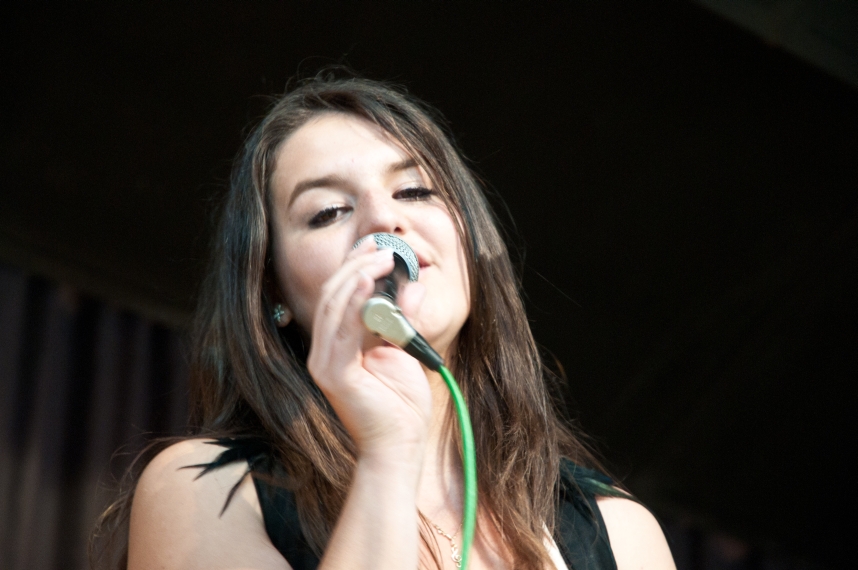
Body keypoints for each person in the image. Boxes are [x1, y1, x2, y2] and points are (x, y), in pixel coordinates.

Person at [93, 74, 675, 570]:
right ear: (274, 292)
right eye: (328, 212)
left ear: (471, 245)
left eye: (415, 191)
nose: (383, 220)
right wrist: (388, 454)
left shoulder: (619, 532)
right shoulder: (207, 488)